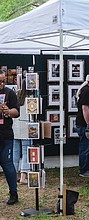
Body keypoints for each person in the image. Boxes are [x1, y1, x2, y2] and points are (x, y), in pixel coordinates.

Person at [0, 69, 20, 205]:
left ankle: (14, 193)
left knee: (7, 164)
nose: (1, 84)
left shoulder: (10, 93)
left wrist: (8, 111)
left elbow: (16, 111)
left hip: (5, 134)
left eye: (3, 81)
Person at [76, 69, 89, 177]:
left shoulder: (86, 89)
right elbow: (85, 108)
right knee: (86, 146)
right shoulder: (87, 91)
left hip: (84, 123)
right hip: (84, 124)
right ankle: (84, 169)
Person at [13, 78, 31, 184]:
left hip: (15, 127)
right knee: (26, 152)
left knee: (15, 153)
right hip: (26, 127)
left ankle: (13, 176)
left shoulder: (16, 95)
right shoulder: (31, 97)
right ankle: (23, 176)